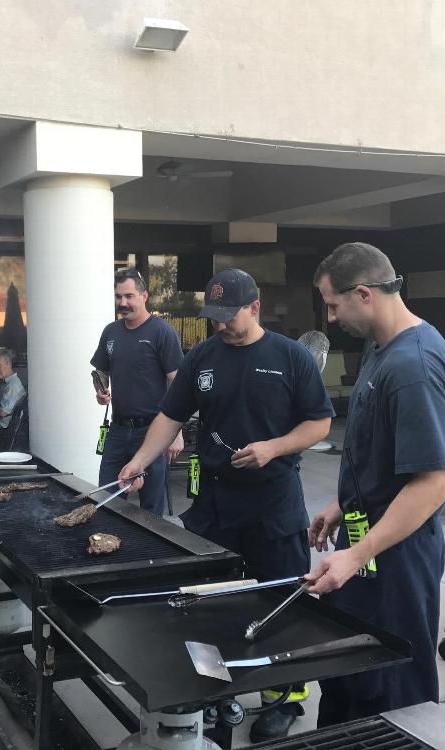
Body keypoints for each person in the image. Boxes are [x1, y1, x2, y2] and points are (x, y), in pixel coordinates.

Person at [118, 268, 334, 741]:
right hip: (215, 501)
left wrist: (274, 447)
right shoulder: (203, 358)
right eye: (212, 316)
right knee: (211, 601)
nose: (219, 325)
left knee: (281, 599)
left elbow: (319, 424)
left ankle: (285, 698)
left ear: (254, 308)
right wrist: (138, 461)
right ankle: (220, 689)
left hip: (273, 501)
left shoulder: (290, 356)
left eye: (228, 315)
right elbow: (170, 416)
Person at [305, 242, 445, 725]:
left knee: (395, 690)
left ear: (364, 293)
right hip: (368, 542)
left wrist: (356, 554)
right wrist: (341, 502)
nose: (330, 319)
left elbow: (434, 483)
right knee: (351, 675)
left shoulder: (412, 366)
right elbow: (386, 456)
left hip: (396, 561)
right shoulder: (381, 350)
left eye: (333, 305)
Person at [90, 268, 184, 517]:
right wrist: (101, 390)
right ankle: (107, 549)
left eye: (129, 296)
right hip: (118, 431)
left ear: (145, 296)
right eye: (119, 296)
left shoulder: (162, 332)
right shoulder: (110, 332)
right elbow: (99, 369)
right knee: (106, 499)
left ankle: (152, 555)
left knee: (151, 509)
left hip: (153, 431)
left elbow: (178, 385)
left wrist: (176, 432)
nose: (123, 302)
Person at [0, 349, 25, 429]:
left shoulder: (12, 386)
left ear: (8, 364)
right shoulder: (6, 383)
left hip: (3, 424)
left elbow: (3, 413)